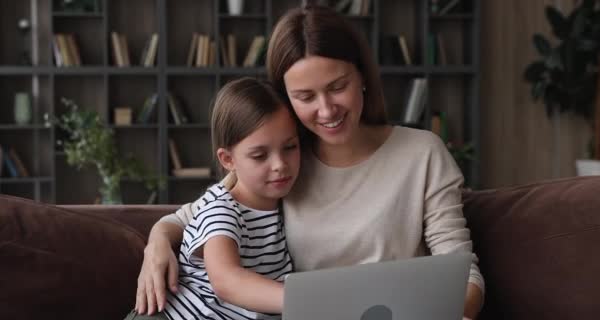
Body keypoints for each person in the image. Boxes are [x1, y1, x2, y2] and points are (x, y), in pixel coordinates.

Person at [134, 5, 484, 320]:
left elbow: (462, 273)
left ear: (361, 76)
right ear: (285, 99)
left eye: (337, 86)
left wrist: (439, 311)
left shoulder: (421, 153)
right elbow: (195, 215)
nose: (327, 110)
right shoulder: (285, 162)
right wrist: (157, 243)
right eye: (305, 96)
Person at [126, 77, 300, 320]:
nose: (280, 165)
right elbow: (227, 281)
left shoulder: (286, 208)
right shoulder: (222, 209)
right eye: (260, 155)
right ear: (228, 160)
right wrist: (305, 300)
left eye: (290, 147)